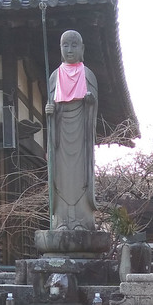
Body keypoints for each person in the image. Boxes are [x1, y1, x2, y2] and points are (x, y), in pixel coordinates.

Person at [46, 30, 98, 231]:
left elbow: (93, 110)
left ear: (82, 48)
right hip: (60, 138)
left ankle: (82, 221)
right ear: (60, 48)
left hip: (81, 137)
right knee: (60, 177)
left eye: (74, 45)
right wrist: (49, 112)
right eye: (65, 45)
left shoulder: (87, 74)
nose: (69, 50)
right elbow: (52, 107)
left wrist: (90, 104)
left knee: (80, 176)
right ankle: (61, 221)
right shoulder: (54, 77)